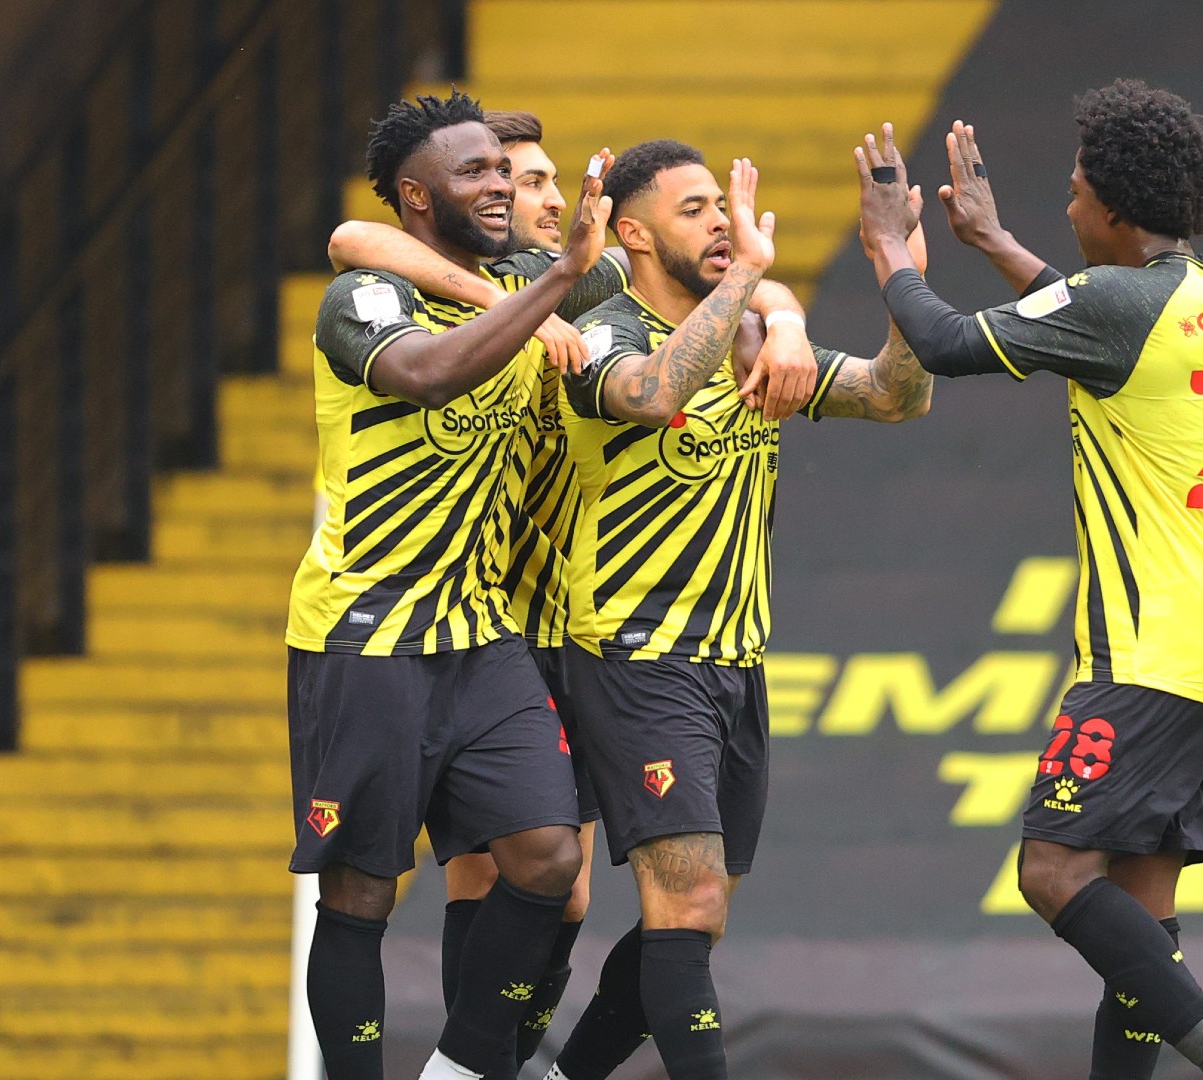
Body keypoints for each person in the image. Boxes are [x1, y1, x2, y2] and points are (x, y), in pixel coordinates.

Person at [856, 82, 1203, 1080]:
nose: (1067, 207)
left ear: (1113, 208)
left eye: (1073, 192)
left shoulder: (1114, 307)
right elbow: (1090, 318)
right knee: (1142, 915)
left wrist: (892, 251)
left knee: (1053, 870)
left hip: (1155, 642)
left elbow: (945, 343)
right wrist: (996, 242)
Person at [545, 139, 933, 1080]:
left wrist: (900, 272)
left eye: (722, 205)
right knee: (686, 905)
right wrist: (758, 288)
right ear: (633, 234)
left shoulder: (755, 340)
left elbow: (896, 398)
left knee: (697, 917)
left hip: (735, 662)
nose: (721, 221)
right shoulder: (604, 333)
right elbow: (654, 393)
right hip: (635, 650)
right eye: (693, 210)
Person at [286, 89, 613, 1080]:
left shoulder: (525, 277)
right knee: (361, 895)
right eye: (475, 172)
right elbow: (424, 371)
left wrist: (776, 313)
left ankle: (461, 1070)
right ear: (418, 197)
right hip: (366, 633)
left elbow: (665, 276)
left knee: (550, 858)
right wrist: (553, 285)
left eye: (503, 168)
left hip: (481, 636)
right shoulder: (365, 301)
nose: (501, 185)